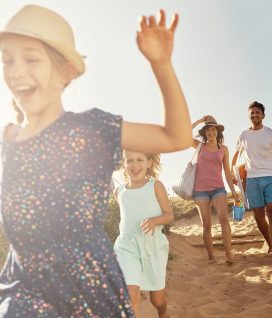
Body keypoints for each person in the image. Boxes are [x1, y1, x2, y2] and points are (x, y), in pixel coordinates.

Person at [0, 4, 191, 317]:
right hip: (22, 288)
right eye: (7, 59)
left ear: (66, 71)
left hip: (84, 291)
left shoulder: (92, 130)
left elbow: (177, 136)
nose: (16, 70)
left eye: (31, 58)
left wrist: (161, 64)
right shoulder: (8, 141)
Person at [114, 150, 173, 318]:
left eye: (140, 160)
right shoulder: (120, 191)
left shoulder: (155, 185)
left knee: (157, 301)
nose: (135, 165)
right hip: (127, 246)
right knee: (131, 294)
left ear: (149, 163)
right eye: (130, 160)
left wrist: (154, 221)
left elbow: (169, 215)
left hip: (152, 247)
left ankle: (164, 313)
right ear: (124, 165)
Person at [232, 101, 272, 259]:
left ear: (263, 115)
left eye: (257, 112)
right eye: (252, 113)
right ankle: (271, 244)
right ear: (249, 115)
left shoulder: (271, 133)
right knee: (258, 215)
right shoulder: (243, 135)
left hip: (271, 176)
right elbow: (236, 155)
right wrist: (233, 174)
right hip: (252, 178)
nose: (255, 115)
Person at [191, 115, 240, 264]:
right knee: (206, 225)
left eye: (213, 130)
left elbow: (226, 171)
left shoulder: (224, 149)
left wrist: (233, 192)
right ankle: (211, 257)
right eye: (208, 130)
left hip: (218, 188)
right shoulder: (199, 146)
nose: (211, 133)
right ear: (204, 132)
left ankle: (228, 255)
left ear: (217, 132)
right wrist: (199, 121)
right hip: (200, 190)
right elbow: (183, 133)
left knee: (224, 220)